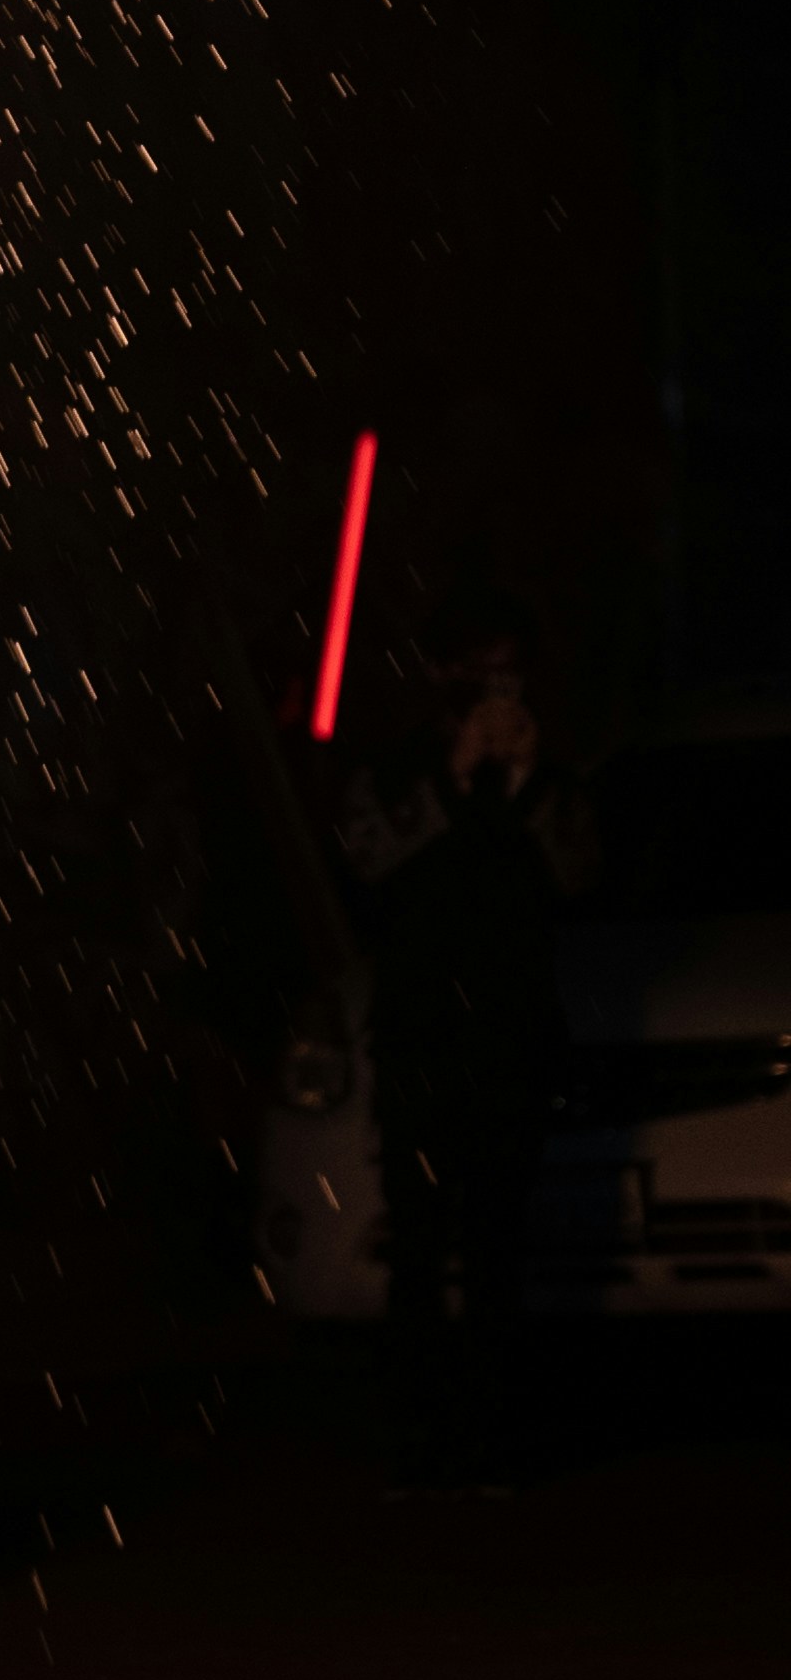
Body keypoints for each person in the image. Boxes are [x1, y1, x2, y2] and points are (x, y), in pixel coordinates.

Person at [340, 622, 589, 1487]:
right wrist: (450, 778)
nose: (494, 695)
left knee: (497, 1244)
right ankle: (417, 1433)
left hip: (508, 1043)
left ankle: (496, 1433)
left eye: (508, 677)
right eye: (480, 675)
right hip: (421, 1044)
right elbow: (367, 862)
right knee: (416, 1243)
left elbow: (578, 874)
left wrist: (524, 778)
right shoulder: (395, 770)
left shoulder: (550, 776)